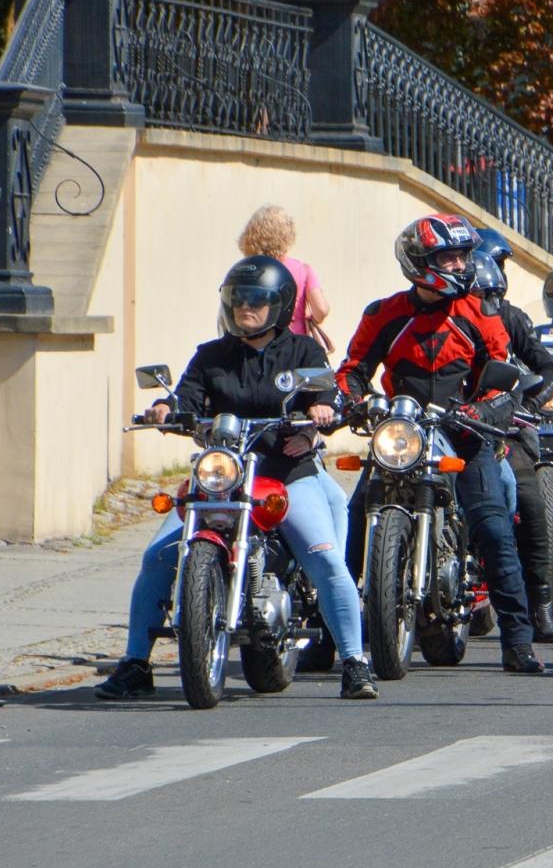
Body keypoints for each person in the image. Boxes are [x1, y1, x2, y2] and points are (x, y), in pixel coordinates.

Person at [97, 256, 376, 701]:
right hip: (220, 476)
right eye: (238, 300)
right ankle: (134, 663)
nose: (245, 309)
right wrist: (166, 411)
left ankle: (355, 662)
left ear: (280, 306)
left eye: (256, 302)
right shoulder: (211, 355)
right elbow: (187, 394)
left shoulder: (304, 351)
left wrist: (322, 411)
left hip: (285, 474)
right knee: (155, 558)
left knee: (324, 558)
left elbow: (326, 394)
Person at [337, 214, 544, 673]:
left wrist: (482, 412)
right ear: (418, 262)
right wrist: (354, 402)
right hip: (403, 433)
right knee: (354, 522)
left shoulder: (479, 313)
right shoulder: (384, 313)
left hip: (465, 435)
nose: (458, 264)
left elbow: (503, 379)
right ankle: (330, 634)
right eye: (447, 256)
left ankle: (518, 641)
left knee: (493, 528)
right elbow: (352, 370)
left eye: (461, 255)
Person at [473, 230, 553, 643]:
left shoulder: (511, 318)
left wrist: (529, 401)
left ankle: (541, 607)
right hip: (445, 429)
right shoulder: (429, 315)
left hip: (507, 429)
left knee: (531, 504)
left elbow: (548, 368)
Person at [237, 205, 331, 347]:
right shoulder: (303, 269)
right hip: (294, 344)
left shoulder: (246, 269)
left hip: (254, 342)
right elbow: (321, 310)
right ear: (286, 235)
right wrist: (306, 319)